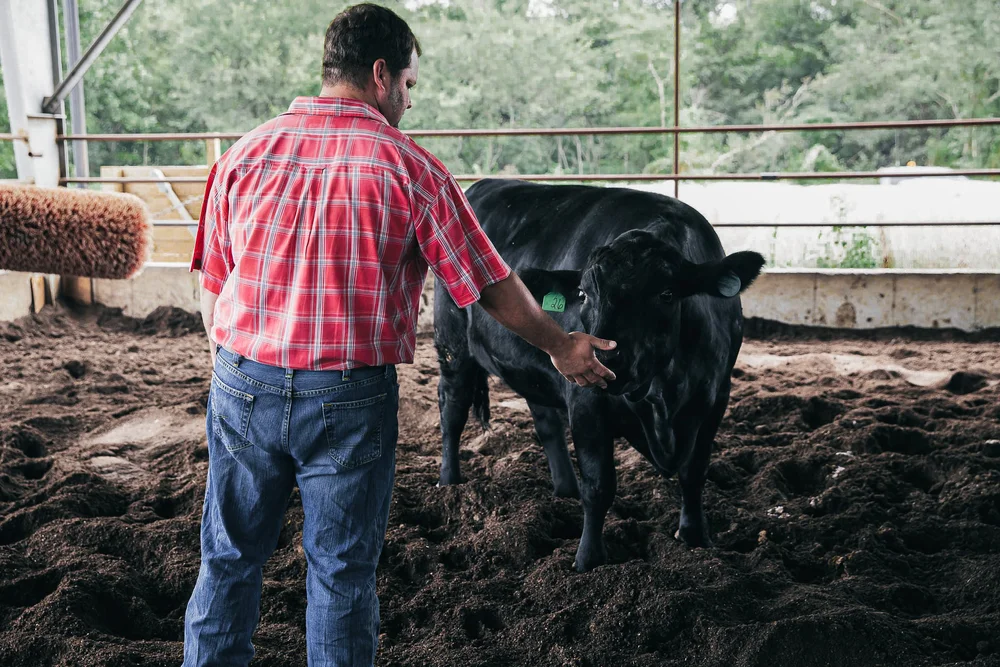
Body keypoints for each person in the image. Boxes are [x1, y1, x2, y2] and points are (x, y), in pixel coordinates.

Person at [182, 4, 616, 665]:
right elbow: (489, 283)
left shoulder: (246, 153)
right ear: (381, 74)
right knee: (342, 570)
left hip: (243, 381)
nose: (409, 101)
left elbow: (212, 290)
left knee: (229, 554)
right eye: (409, 85)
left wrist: (242, 367)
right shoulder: (411, 169)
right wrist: (561, 343)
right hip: (347, 399)